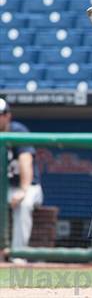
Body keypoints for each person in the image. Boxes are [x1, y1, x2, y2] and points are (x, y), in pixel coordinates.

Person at [0, 98, 43, 261]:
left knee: (23, 205)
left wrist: (23, 190)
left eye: (0, 115)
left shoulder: (18, 130)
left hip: (29, 186)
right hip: (5, 188)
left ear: (7, 116)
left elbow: (26, 161)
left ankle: (17, 257)